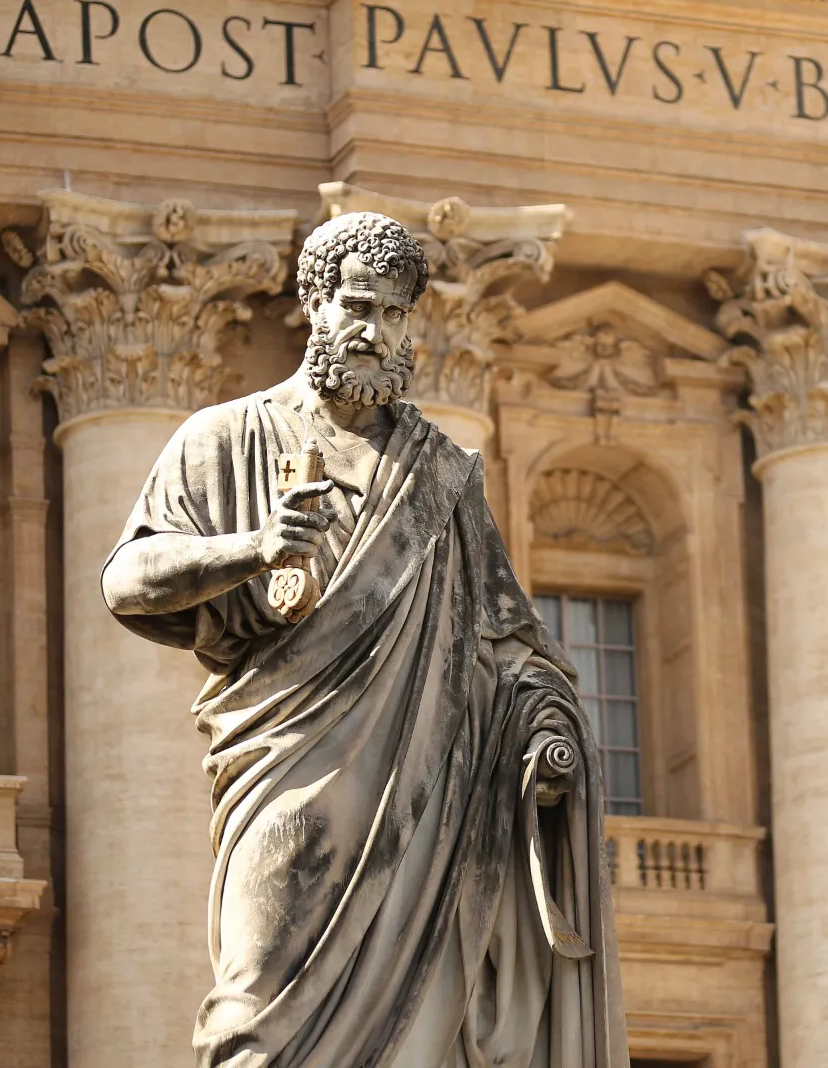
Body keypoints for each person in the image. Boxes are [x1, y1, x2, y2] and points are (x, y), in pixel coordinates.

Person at [102, 211, 627, 1068]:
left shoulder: (442, 475)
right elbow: (126, 582)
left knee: (421, 1033)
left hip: (427, 795)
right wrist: (254, 548)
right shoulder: (225, 438)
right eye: (355, 306)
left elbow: (507, 643)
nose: (374, 332)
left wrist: (543, 727)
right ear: (312, 303)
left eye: (392, 313)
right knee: (253, 1016)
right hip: (288, 774)